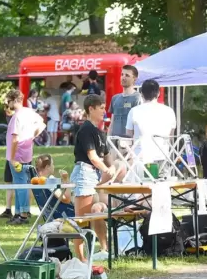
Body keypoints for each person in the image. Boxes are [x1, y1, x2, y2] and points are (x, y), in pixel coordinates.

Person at [69, 94, 114, 262]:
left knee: (98, 211)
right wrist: (106, 170)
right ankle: (81, 260)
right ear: (91, 109)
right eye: (101, 108)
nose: (104, 111)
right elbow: (93, 157)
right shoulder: (86, 129)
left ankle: (104, 249)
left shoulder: (100, 133)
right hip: (85, 174)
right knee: (81, 220)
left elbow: (109, 158)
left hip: (96, 177)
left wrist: (114, 167)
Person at [6, 89, 46, 224]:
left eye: (9, 101)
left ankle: (22, 215)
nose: (8, 103)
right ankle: (18, 213)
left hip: (17, 155)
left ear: (14, 100)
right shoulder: (29, 112)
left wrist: (12, 158)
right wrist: (32, 136)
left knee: (20, 184)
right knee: (19, 183)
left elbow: (15, 139)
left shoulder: (17, 117)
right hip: (27, 152)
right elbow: (42, 124)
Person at [125, 79, 177, 170]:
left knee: (141, 184)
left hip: (140, 158)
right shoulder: (169, 111)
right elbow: (171, 136)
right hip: (162, 157)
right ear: (158, 93)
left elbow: (128, 136)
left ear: (141, 93)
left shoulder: (134, 111)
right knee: (162, 183)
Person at [108, 65, 141, 138]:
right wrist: (108, 139)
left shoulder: (138, 98)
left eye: (127, 75)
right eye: (122, 74)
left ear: (134, 79)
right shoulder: (115, 98)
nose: (123, 77)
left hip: (130, 143)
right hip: (114, 142)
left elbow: (139, 124)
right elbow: (112, 122)